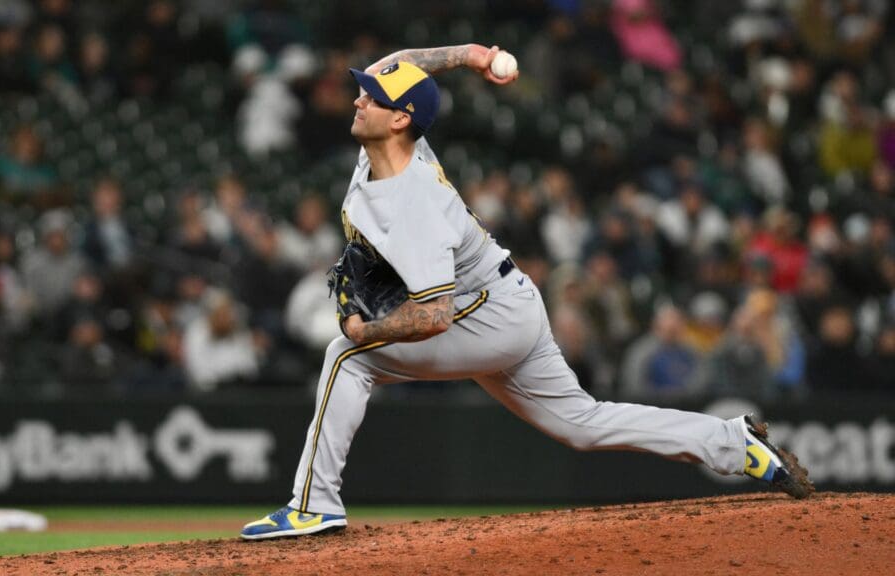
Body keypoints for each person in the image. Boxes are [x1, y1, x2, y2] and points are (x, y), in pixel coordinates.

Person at [240, 44, 812, 541]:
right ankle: (734, 444)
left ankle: (315, 505)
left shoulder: (412, 201)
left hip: (482, 315)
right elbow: (403, 66)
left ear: (399, 121)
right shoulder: (398, 148)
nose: (359, 97)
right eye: (363, 90)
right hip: (505, 302)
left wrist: (368, 330)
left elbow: (435, 315)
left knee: (346, 355)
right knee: (584, 423)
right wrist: (472, 56)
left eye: (371, 97)